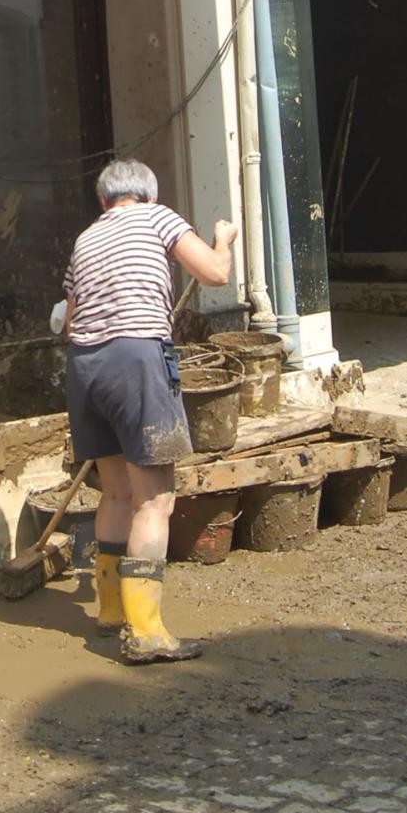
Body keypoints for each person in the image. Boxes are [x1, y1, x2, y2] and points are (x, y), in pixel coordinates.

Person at [61, 158, 238, 665]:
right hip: (135, 360)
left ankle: (111, 612)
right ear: (149, 195)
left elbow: (69, 317)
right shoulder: (158, 218)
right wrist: (221, 237)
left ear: (103, 200)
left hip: (84, 366)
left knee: (116, 492)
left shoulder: (86, 238)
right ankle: (147, 632)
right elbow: (216, 274)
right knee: (154, 501)